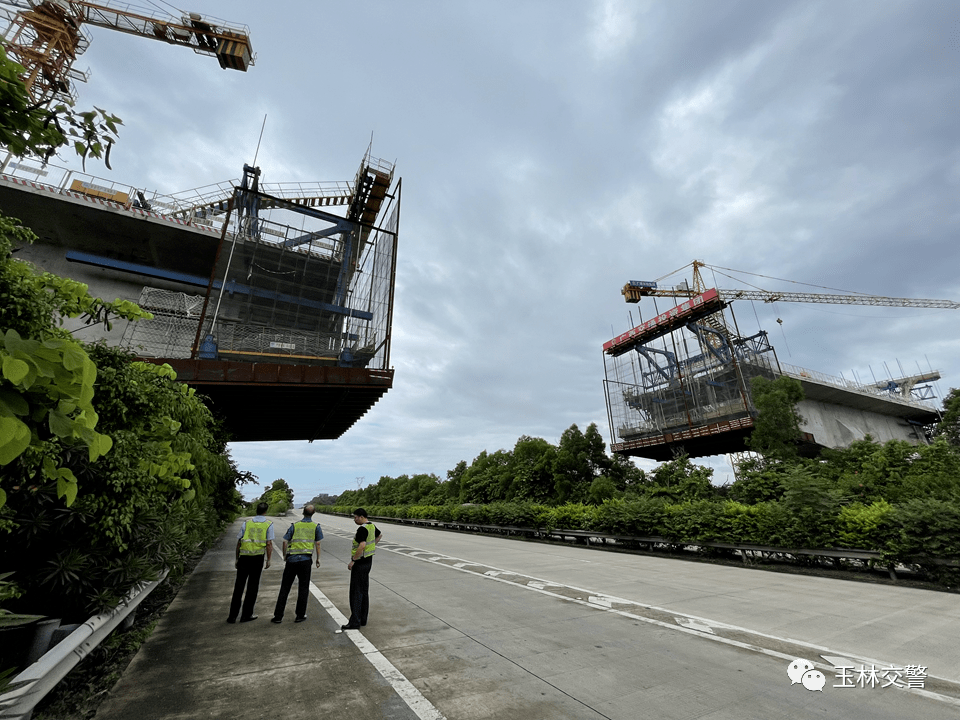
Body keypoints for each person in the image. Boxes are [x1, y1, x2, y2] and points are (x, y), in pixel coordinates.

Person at [271, 505, 323, 624]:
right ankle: (300, 615)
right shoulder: (316, 527)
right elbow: (318, 544)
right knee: (303, 588)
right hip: (305, 561)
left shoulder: (295, 525)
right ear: (313, 513)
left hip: (292, 560)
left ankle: (278, 616)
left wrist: (285, 556)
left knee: (285, 587)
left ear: (303, 512)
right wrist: (318, 559)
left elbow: (285, 541)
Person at [227, 502, 273, 623]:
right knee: (252, 586)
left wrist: (237, 558)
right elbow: (268, 544)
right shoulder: (268, 524)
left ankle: (232, 616)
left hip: (244, 557)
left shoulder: (246, 523)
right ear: (265, 512)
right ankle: (246, 615)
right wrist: (268, 559)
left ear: (256, 510)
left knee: (238, 587)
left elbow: (239, 542)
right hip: (257, 559)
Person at [341, 508, 382, 630]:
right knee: (364, 591)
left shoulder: (362, 529)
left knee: (356, 593)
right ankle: (363, 619)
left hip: (360, 563)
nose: (354, 519)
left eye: (355, 517)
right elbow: (379, 535)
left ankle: (355, 621)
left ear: (361, 517)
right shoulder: (372, 526)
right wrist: (372, 546)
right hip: (368, 562)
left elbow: (362, 545)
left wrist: (353, 560)